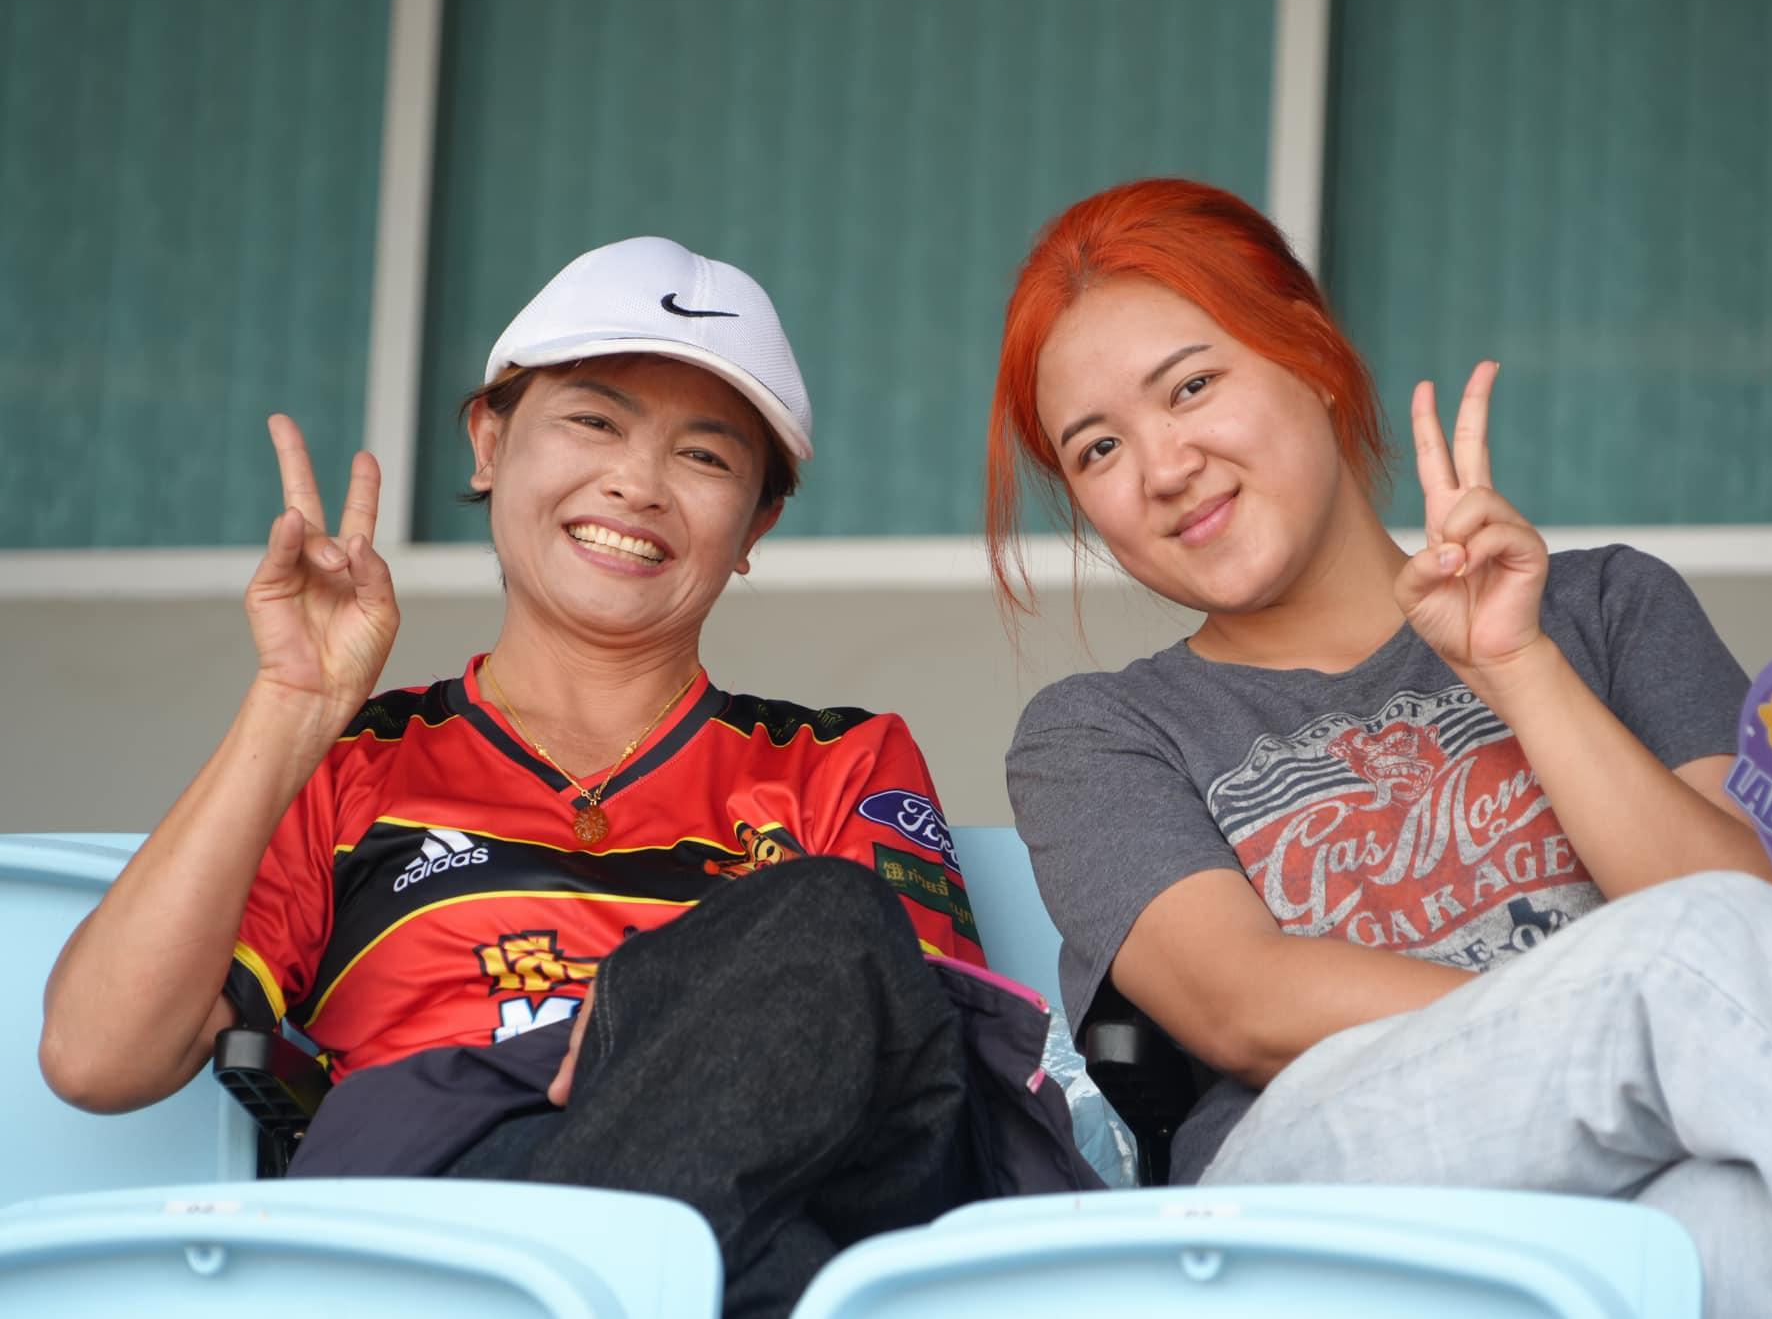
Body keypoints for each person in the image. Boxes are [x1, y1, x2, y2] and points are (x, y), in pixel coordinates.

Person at [986, 178, 1772, 1317]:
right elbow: (1239, 1000)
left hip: (1638, 1178)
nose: (1161, 468)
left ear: (1309, 351)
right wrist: (1596, 1012)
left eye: (1192, 386)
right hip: (1315, 1203)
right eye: (1098, 450)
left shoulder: (1607, 609)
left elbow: (1763, 924)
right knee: (1700, 960)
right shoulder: (1098, 732)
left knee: (1745, 1229)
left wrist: (1518, 666)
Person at [41, 236, 1095, 1318]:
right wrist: (290, 708)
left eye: (705, 457)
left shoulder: (833, 761)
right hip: (456, 1224)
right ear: (489, 442)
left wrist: (658, 1025)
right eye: (593, 422)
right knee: (771, 1266)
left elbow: (904, 1067)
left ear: (756, 526)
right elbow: (96, 1058)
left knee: (832, 924)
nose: (636, 483)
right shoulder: (350, 758)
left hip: (766, 1204)